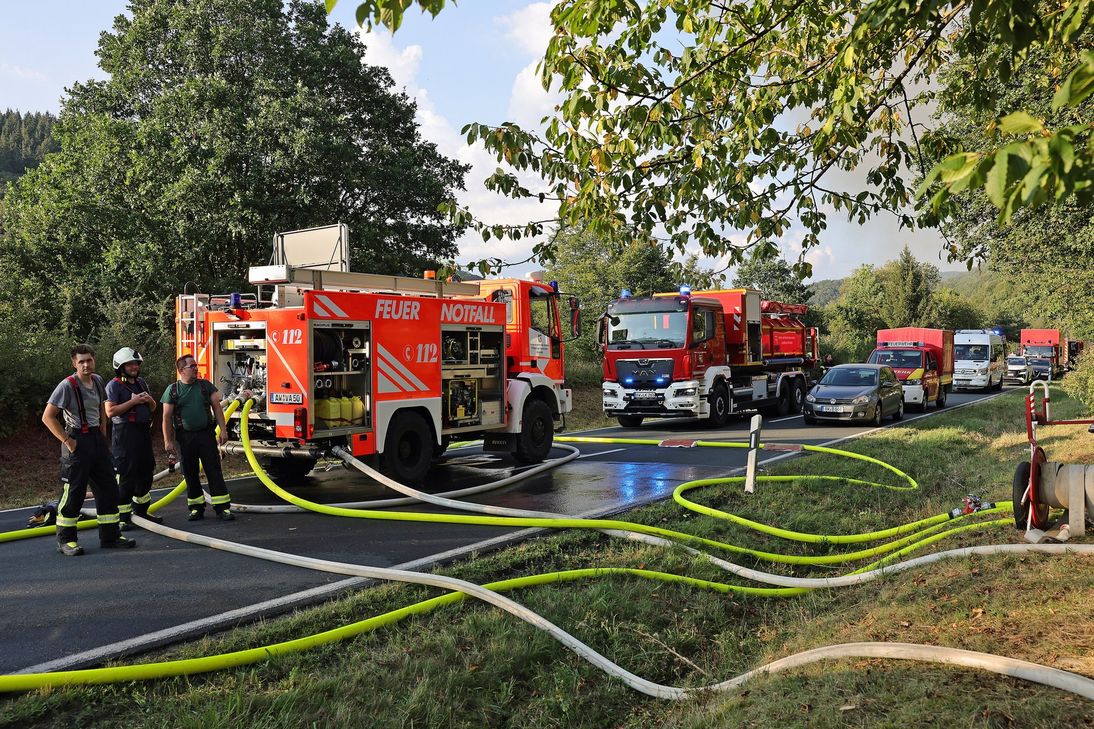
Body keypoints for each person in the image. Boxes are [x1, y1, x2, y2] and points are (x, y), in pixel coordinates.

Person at [41, 344, 136, 555]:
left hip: (96, 441)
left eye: (89, 360)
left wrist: (102, 434)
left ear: (94, 360)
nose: (86, 365)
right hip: (76, 441)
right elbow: (47, 417)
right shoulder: (67, 386)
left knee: (108, 489)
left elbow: (102, 407)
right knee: (74, 492)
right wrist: (68, 441)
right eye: (81, 361)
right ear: (74, 364)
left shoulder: (98, 381)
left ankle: (110, 536)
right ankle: (66, 540)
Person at [161, 354, 235, 521]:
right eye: (192, 366)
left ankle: (222, 508)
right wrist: (168, 441)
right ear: (182, 370)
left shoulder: (205, 386)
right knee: (190, 473)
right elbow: (166, 417)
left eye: (196, 365)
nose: (196, 368)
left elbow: (217, 408)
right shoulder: (172, 390)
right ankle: (196, 508)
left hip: (206, 435)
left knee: (213, 470)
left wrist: (223, 430)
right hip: (184, 438)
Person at [105, 347, 162, 529]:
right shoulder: (113, 386)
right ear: (120, 366)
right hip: (125, 434)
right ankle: (122, 517)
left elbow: (153, 407)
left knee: (146, 471)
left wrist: (148, 400)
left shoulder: (141, 383)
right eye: (130, 364)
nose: (134, 367)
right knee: (126, 474)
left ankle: (141, 512)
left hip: (142, 432)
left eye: (136, 364)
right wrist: (133, 402)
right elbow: (110, 412)